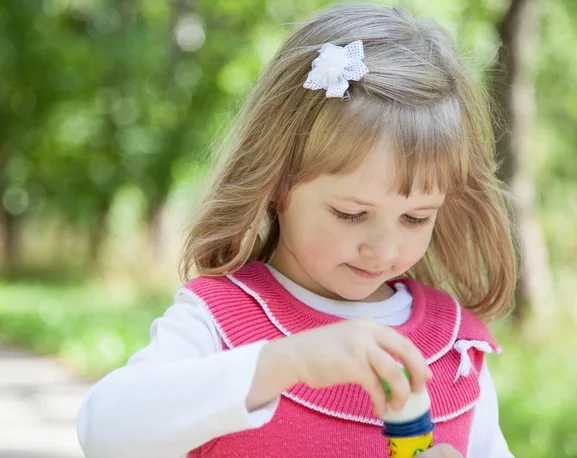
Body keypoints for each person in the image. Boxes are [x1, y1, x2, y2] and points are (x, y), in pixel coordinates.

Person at [77, 3, 517, 457]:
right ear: (279, 182)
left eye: (416, 218)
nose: (383, 249)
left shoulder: (454, 350)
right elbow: (104, 431)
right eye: (350, 213)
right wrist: (288, 361)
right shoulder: (220, 322)